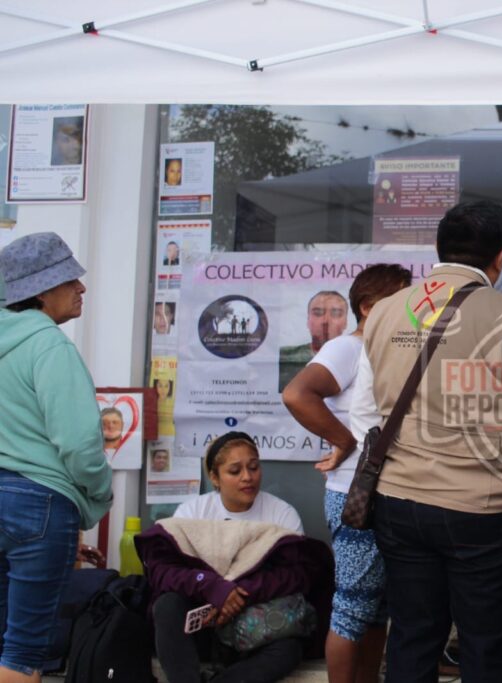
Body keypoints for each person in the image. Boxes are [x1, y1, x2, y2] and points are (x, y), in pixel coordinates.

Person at [348, 200, 502, 682]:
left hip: (398, 503)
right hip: (484, 509)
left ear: (438, 248)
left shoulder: (384, 311)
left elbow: (363, 412)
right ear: (501, 256)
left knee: (411, 638)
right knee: (486, 648)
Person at [283, 263, 412, 683]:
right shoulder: (348, 348)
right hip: (356, 496)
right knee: (352, 609)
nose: (411, 309)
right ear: (369, 307)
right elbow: (297, 394)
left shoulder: (384, 349)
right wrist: (346, 441)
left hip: (384, 494)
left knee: (376, 609)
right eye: (400, 300)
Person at [0, 232, 113, 683]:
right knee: (23, 653)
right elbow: (80, 444)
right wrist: (99, 492)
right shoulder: (50, 345)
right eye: (69, 279)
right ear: (41, 291)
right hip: (39, 505)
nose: (81, 287)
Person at [136, 432, 331, 683]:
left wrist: (236, 594)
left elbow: (296, 575)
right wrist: (212, 588)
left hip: (258, 626)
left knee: (289, 649)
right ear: (215, 478)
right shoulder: (192, 513)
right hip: (204, 625)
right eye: (235, 471)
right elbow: (164, 571)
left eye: (254, 467)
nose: (247, 477)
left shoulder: (281, 514)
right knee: (167, 605)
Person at [278, 291, 348, 392]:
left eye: (336, 314)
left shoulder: (359, 357)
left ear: (345, 322)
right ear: (308, 320)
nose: (325, 321)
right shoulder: (284, 355)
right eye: (318, 313)